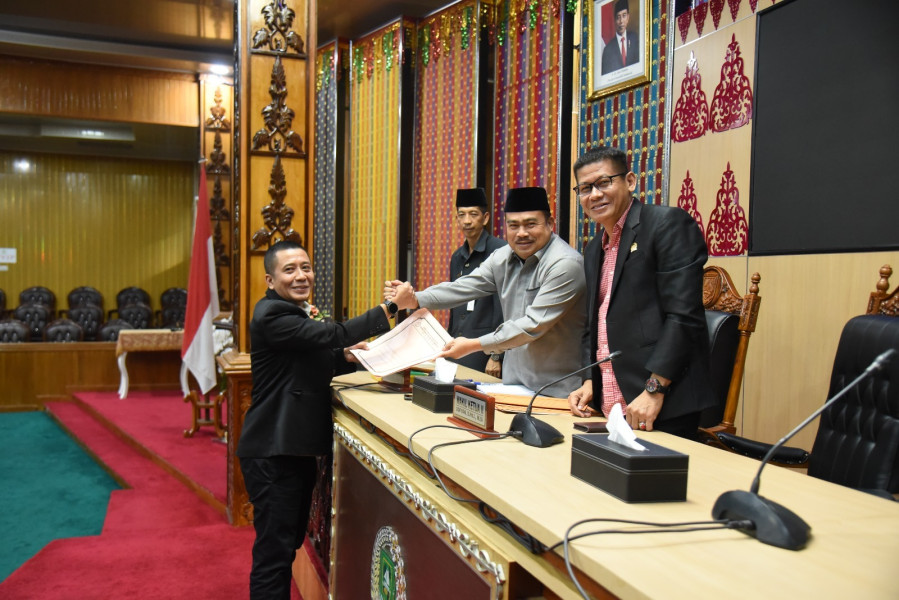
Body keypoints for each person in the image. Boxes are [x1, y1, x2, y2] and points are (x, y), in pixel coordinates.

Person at [236, 240, 412, 599]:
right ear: (270, 280)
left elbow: (304, 362)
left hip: (291, 450)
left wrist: (345, 357)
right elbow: (336, 334)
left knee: (286, 544)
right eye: (289, 270)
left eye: (306, 267)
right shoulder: (272, 315)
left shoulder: (291, 312)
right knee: (274, 554)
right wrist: (392, 306)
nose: (301, 276)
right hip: (272, 452)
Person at [567, 146, 714, 439]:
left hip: (660, 402)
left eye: (604, 182)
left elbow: (684, 317)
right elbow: (595, 324)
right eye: (585, 188)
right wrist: (589, 379)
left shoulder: (666, 224)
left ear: (630, 181)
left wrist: (655, 389)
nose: (594, 195)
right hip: (609, 403)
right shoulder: (594, 248)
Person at [385, 187, 586, 398]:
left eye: (530, 224)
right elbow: (463, 287)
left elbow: (532, 324)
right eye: (513, 225)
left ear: (550, 224)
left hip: (556, 390)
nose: (521, 233)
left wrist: (474, 345)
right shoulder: (503, 257)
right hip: (513, 386)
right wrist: (414, 299)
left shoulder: (564, 264)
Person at [448, 188, 506, 376]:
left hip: (485, 351)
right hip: (458, 346)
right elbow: (454, 304)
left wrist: (496, 355)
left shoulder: (500, 251)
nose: (467, 221)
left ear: (485, 218)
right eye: (462, 215)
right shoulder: (457, 256)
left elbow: (504, 307)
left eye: (473, 214)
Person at [601, 0, 640, 75]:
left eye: (624, 15)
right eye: (618, 17)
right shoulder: (608, 49)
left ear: (628, 17)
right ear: (615, 20)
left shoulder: (634, 39)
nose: (621, 21)